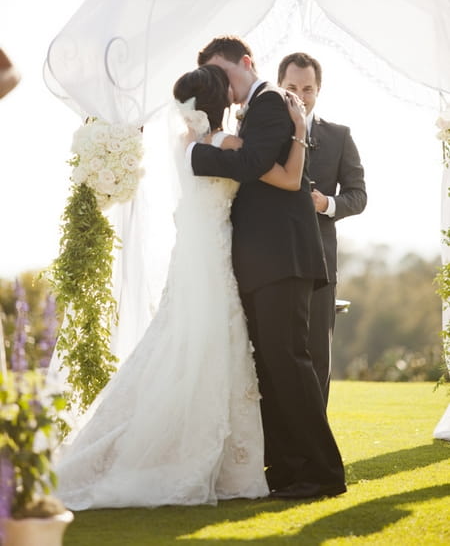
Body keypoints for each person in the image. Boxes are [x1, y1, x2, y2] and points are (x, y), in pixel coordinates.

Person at [54, 64, 307, 509]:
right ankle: (219, 462)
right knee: (213, 345)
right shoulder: (227, 144)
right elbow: (283, 176)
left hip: (195, 250)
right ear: (217, 101)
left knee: (186, 342)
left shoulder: (184, 145)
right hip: (212, 253)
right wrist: (299, 130)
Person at [191, 36, 346, 500]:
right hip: (263, 260)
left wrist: (195, 154)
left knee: (291, 365)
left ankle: (321, 473)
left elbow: (258, 163)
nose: (224, 85)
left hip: (283, 258)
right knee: (275, 371)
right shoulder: (256, 109)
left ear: (247, 63)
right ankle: (286, 472)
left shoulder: (271, 101)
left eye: (225, 74)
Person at [278, 52, 367, 405]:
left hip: (321, 262)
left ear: (319, 89)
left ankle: (316, 449)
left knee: (317, 358)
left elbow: (358, 195)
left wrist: (327, 203)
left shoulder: (340, 135)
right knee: (275, 356)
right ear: (279, 85)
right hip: (272, 261)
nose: (300, 95)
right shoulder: (262, 131)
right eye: (291, 87)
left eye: (308, 88)